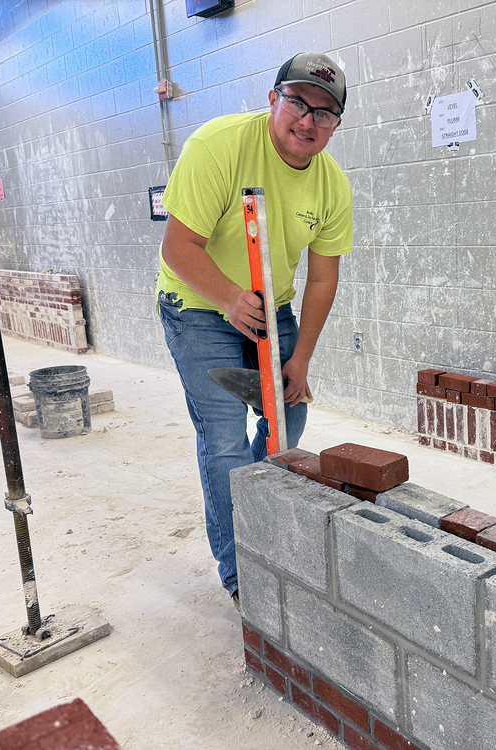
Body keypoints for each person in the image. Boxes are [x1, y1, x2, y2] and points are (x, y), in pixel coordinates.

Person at [155, 53, 352, 610]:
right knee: (222, 439)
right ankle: (242, 573)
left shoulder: (332, 186)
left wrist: (301, 359)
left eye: (325, 113)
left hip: (273, 304)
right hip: (197, 300)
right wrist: (228, 299)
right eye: (297, 102)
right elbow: (178, 246)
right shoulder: (217, 147)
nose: (308, 121)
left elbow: (322, 280)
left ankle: (268, 529)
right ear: (272, 99)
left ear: (336, 125)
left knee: (287, 418)